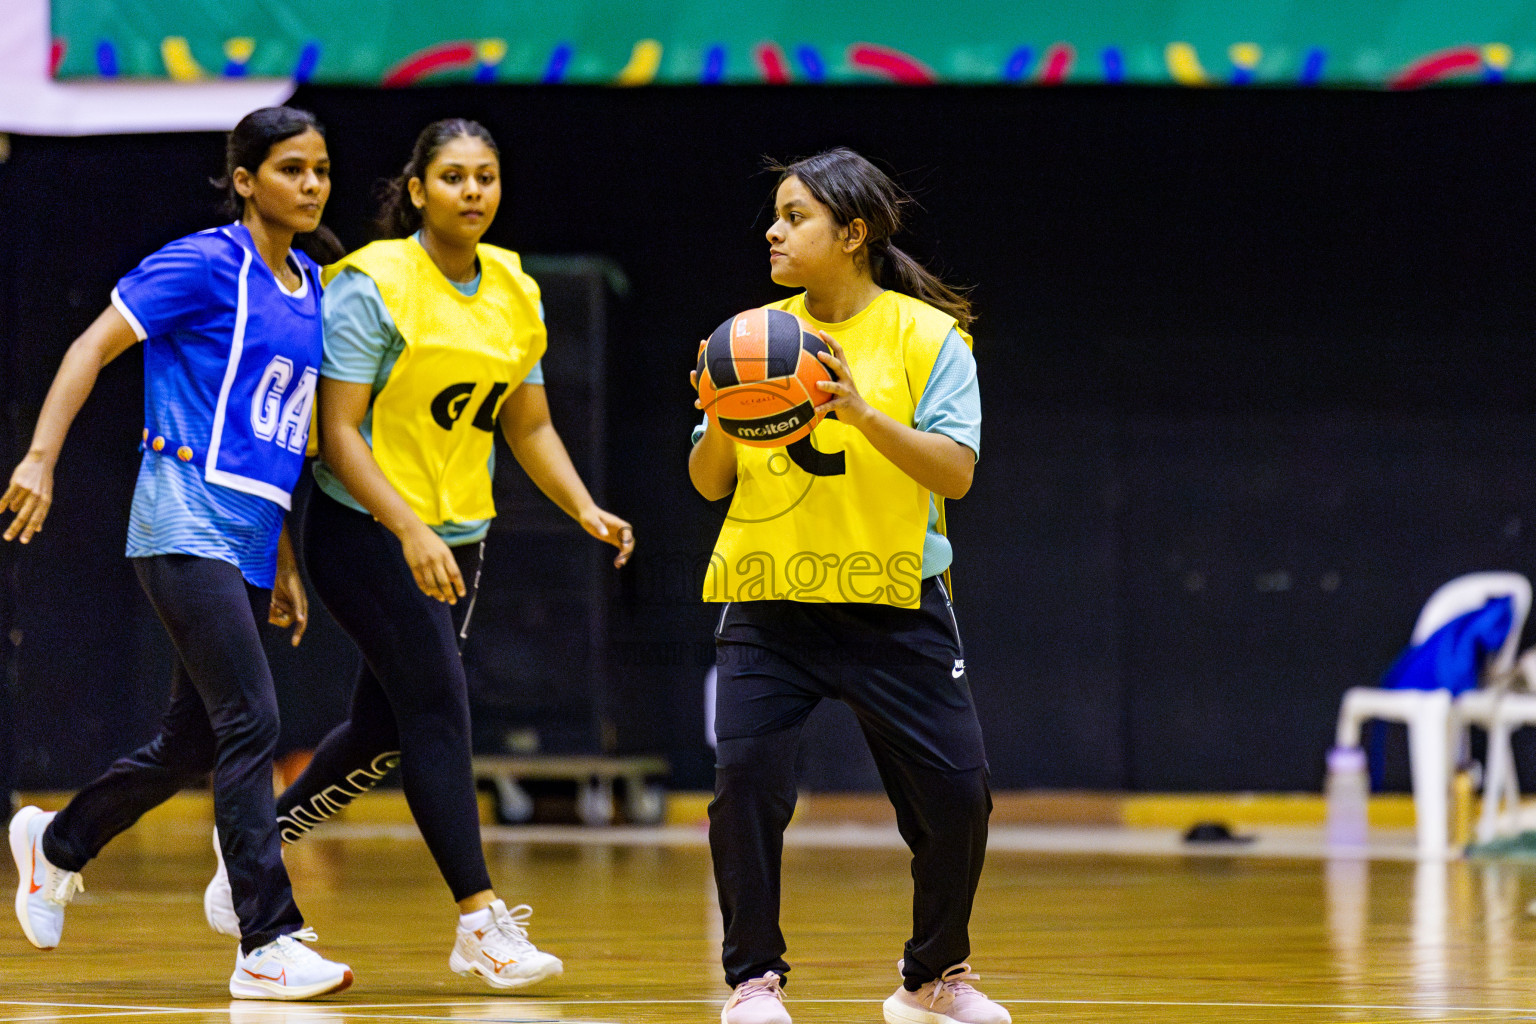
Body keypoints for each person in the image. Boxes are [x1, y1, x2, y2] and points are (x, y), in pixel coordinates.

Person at [203, 118, 635, 992]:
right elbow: (340, 433)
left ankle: (255, 842)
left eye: (487, 176)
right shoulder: (376, 282)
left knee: (383, 729)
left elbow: (531, 422)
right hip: (367, 529)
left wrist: (584, 504)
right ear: (418, 190)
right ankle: (479, 921)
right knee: (440, 707)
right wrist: (406, 527)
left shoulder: (513, 285)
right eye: (454, 177)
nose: (473, 192)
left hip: (458, 535)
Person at [3, 106, 352, 1000]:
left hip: (246, 535)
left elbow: (274, 432)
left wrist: (285, 565)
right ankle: (265, 939)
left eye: (319, 169)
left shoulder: (311, 283)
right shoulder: (202, 264)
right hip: (181, 518)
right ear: (245, 179)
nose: (310, 184)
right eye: (290, 170)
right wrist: (41, 458)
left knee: (192, 739)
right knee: (253, 723)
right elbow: (93, 347)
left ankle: (59, 844)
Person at [689, 148, 1009, 1024]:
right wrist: (718, 415)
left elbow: (955, 475)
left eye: (795, 216)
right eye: (776, 215)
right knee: (746, 788)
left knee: (958, 798)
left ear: (853, 233)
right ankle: (754, 981)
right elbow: (709, 480)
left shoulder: (929, 337)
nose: (774, 229)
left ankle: (932, 979)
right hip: (769, 599)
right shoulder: (752, 333)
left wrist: (861, 412)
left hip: (895, 602)